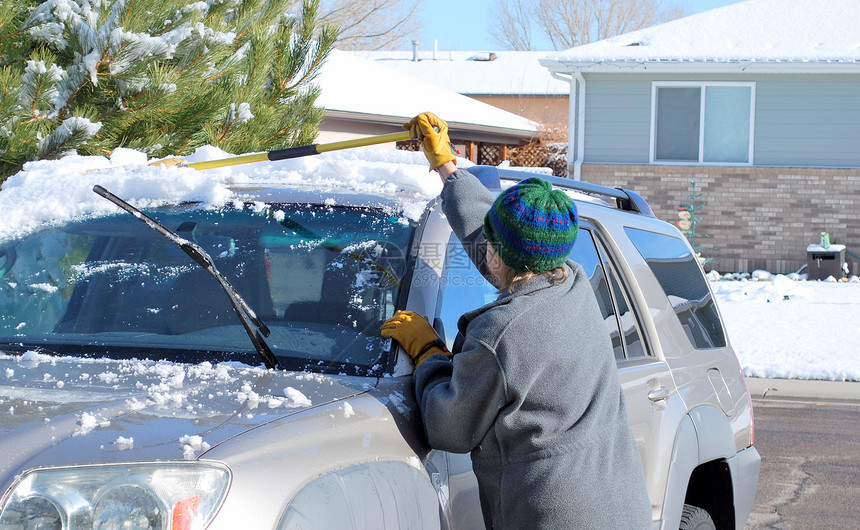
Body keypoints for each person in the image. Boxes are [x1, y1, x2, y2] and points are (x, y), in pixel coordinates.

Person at [381, 112, 652, 529]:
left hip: (550, 519)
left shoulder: (500, 335)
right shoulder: (571, 286)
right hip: (619, 510)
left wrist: (429, 353)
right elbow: (491, 237)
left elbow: (449, 426)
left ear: (499, 254)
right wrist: (445, 166)